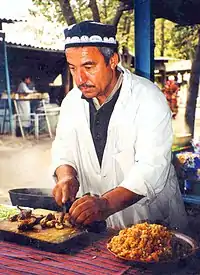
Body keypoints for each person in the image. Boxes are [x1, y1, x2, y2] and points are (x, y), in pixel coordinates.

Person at [51, 21, 188, 231]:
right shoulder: (71, 102)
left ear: (112, 60)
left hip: (151, 222)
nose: (79, 78)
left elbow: (150, 168)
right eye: (72, 68)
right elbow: (63, 149)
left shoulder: (148, 98)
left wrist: (106, 204)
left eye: (89, 67)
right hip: (99, 226)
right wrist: (67, 175)